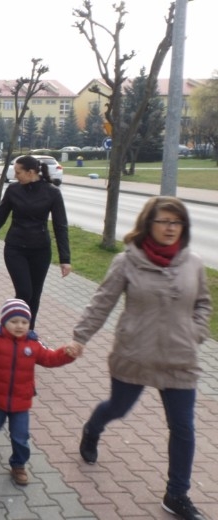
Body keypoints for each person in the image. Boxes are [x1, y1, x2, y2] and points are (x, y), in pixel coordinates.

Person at [68, 196, 211, 520]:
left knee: (183, 427)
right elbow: (102, 302)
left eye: (177, 222)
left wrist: (195, 332)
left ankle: (177, 494)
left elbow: (203, 303)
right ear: (149, 223)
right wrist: (80, 337)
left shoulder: (193, 262)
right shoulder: (127, 261)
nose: (171, 228)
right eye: (164, 221)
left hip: (179, 358)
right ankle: (92, 429)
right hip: (135, 354)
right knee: (118, 408)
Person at [0, 298, 75, 486]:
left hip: (21, 400)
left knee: (20, 435)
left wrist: (67, 354)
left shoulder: (33, 343)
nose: (19, 326)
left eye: (24, 322)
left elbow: (50, 358)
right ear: (4, 322)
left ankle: (18, 465)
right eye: (14, 321)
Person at [0, 154, 70, 329]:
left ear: (31, 172)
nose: (15, 175)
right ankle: (14, 328)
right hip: (15, 248)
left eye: (18, 172)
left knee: (35, 294)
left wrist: (65, 258)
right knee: (24, 292)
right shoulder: (13, 190)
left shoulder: (52, 192)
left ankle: (28, 332)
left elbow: (60, 225)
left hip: (40, 250)